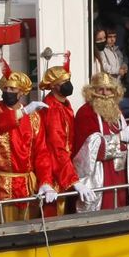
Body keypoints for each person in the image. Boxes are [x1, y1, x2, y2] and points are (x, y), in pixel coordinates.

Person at [0, 58, 54, 221]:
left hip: (26, 187)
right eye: (5, 87)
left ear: (22, 92)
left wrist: (45, 182)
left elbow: (41, 152)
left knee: (28, 233)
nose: (7, 91)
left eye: (12, 88)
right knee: (1, 231)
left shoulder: (35, 117)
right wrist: (24, 112)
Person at [72, 72, 129, 211]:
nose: (105, 93)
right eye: (100, 89)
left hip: (121, 174)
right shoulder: (85, 113)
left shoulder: (116, 112)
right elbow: (88, 150)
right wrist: (119, 138)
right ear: (92, 91)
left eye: (109, 89)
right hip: (102, 176)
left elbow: (125, 140)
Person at [37, 54, 80, 215]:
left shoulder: (64, 104)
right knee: (54, 214)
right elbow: (57, 147)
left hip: (64, 168)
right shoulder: (53, 109)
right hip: (54, 172)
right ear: (54, 86)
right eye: (64, 82)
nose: (68, 85)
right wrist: (73, 179)